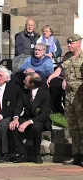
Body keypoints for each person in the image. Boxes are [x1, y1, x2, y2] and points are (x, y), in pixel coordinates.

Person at [10, 72, 52, 164]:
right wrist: (15, 118)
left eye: (25, 81)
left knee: (36, 128)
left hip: (39, 119)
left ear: (32, 84)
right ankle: (22, 154)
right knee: (13, 126)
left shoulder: (44, 94)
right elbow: (18, 106)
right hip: (27, 117)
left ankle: (37, 154)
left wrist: (28, 122)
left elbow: (44, 114)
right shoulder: (23, 92)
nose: (23, 82)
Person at [57, 34, 83, 167]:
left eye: (72, 43)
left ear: (79, 43)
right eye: (68, 43)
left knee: (82, 126)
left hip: (80, 96)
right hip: (69, 96)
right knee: (73, 127)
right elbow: (62, 72)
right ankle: (76, 155)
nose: (69, 45)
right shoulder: (67, 58)